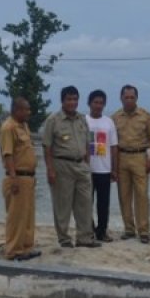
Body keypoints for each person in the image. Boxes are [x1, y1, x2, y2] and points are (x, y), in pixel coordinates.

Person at [42, 86, 100, 248]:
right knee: (63, 204)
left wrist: (87, 164)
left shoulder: (82, 119)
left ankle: (84, 238)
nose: (72, 102)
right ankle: (64, 239)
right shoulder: (53, 120)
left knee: (85, 203)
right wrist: (50, 169)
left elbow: (88, 143)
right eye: (69, 99)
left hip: (81, 165)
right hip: (62, 165)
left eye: (75, 99)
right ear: (62, 101)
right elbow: (47, 147)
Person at [111, 85, 150, 244]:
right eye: (126, 97)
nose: (129, 100)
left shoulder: (146, 116)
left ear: (136, 98)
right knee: (124, 195)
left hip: (140, 157)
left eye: (132, 97)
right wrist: (114, 166)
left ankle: (144, 230)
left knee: (142, 195)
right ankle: (129, 229)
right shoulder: (115, 117)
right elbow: (113, 143)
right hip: (122, 157)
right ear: (121, 98)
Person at [0, 97, 41, 261]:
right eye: (26, 109)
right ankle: (14, 250)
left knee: (28, 214)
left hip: (28, 177)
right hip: (17, 177)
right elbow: (8, 154)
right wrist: (13, 178)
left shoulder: (24, 126)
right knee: (16, 216)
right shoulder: (8, 128)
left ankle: (26, 247)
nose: (29, 112)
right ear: (17, 110)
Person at [86, 89, 118, 242]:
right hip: (87, 169)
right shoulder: (83, 120)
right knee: (86, 203)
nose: (98, 106)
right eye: (95, 102)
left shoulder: (108, 122)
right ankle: (88, 229)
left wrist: (114, 169)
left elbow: (113, 146)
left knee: (103, 204)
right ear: (89, 103)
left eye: (101, 103)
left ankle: (102, 231)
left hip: (104, 169)